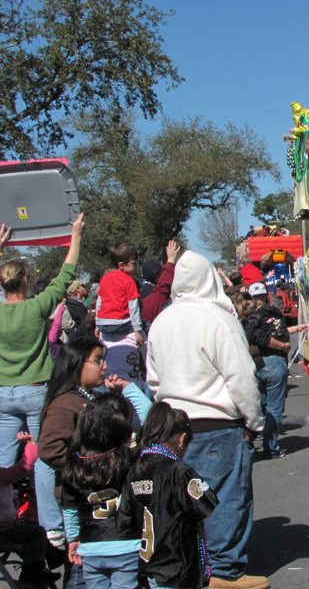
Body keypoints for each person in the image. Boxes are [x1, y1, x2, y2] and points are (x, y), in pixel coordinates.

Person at [145, 251, 267, 589]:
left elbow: (153, 380)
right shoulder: (219, 320)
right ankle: (223, 573)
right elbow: (241, 378)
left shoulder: (162, 322)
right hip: (217, 426)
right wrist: (255, 422)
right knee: (223, 499)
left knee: (181, 503)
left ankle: (190, 569)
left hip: (171, 428)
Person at [0, 214, 83, 548]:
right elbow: (66, 275)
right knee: (44, 457)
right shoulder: (36, 308)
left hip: (3, 393)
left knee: (3, 462)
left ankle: (4, 519)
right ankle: (52, 526)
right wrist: (74, 235)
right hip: (36, 391)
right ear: (25, 282)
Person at [126, 402, 219, 589]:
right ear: (181, 439)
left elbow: (126, 515)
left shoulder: (135, 470)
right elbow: (206, 505)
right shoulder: (177, 470)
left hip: (148, 564)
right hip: (176, 566)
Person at [61, 394, 141, 589]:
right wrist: (131, 390)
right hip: (127, 543)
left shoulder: (75, 465)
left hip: (90, 545)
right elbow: (151, 423)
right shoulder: (129, 461)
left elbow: (70, 508)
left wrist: (73, 538)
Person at [244, 283, 308, 460]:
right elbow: (263, 337)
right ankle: (270, 448)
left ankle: (249, 439)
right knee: (273, 408)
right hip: (273, 363)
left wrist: (296, 328)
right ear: (266, 296)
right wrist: (283, 346)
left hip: (255, 365)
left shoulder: (247, 315)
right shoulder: (268, 314)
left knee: (258, 405)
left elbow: (273, 333)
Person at [0, 431, 61, 586]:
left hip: (6, 526)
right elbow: (24, 467)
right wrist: (31, 446)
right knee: (36, 533)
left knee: (31, 526)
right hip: (3, 530)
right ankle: (33, 570)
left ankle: (51, 558)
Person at [97, 243, 146, 389]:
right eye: (133, 263)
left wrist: (97, 324)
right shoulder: (128, 281)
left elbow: (99, 302)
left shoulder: (105, 279)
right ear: (121, 265)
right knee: (145, 342)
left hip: (103, 324)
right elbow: (133, 307)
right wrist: (137, 330)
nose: (136, 266)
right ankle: (148, 367)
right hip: (120, 323)